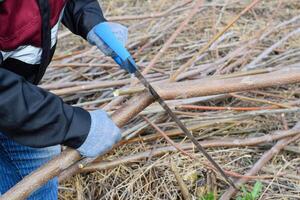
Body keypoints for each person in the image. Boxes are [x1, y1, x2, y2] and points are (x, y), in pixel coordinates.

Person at [0, 0, 127, 199]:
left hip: (14, 96)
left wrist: (90, 19)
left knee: (38, 160)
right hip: (7, 100)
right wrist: (75, 126)